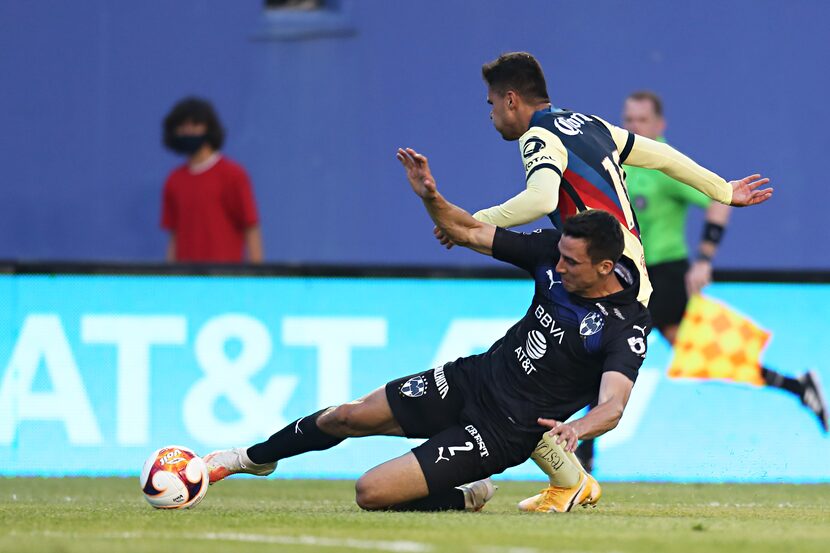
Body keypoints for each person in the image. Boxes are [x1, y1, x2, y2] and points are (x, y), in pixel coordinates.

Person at [202, 150, 653, 513]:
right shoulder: (552, 251)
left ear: (606, 267)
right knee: (346, 416)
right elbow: (469, 230)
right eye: (559, 256)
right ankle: (249, 459)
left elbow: (613, 405)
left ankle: (466, 494)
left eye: (571, 263)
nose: (558, 267)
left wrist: (579, 428)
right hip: (470, 378)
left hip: (500, 432)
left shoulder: (625, 325)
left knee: (371, 493)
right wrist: (429, 197)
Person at [432, 52, 773, 512]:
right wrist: (722, 189)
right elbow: (664, 155)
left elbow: (542, 196)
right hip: (629, 274)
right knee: (534, 374)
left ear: (512, 99)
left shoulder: (538, 136)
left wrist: (478, 222)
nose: (491, 113)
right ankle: (571, 477)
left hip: (604, 279)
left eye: (491, 102)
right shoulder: (587, 123)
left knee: (529, 379)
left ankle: (567, 478)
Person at [573, 91, 828, 472]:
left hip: (662, 275)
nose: (632, 126)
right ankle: (798, 386)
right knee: (701, 356)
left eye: (642, 120)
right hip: (633, 275)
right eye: (628, 118)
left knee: (612, 349)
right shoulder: (621, 161)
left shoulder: (662, 163)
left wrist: (705, 258)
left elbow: (720, 197)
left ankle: (583, 455)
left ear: (659, 126)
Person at [160, 97, 263, 263]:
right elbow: (174, 235)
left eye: (195, 125)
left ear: (208, 128)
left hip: (224, 279)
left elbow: (250, 227)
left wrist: (258, 278)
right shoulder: (174, 180)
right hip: (185, 279)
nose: (188, 132)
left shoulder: (233, 174)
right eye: (182, 127)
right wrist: (170, 277)